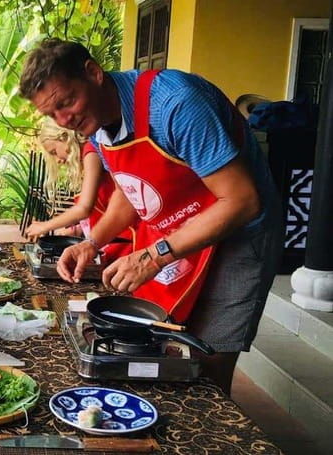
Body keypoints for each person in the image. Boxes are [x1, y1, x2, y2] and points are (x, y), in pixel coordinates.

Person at [19, 39, 283, 393]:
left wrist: (153, 255)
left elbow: (241, 201)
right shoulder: (96, 124)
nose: (64, 120)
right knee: (165, 340)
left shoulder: (176, 105)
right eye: (52, 114)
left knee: (209, 355)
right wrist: (91, 242)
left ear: (94, 74)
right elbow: (132, 191)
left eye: (67, 102)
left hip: (238, 234)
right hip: (177, 228)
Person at [25, 117, 135, 264]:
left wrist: (45, 225)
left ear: (64, 138)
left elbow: (84, 209)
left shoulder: (91, 152)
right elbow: (100, 208)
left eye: (54, 151)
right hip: (110, 239)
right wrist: (76, 230)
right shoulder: (86, 157)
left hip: (124, 241)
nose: (57, 160)